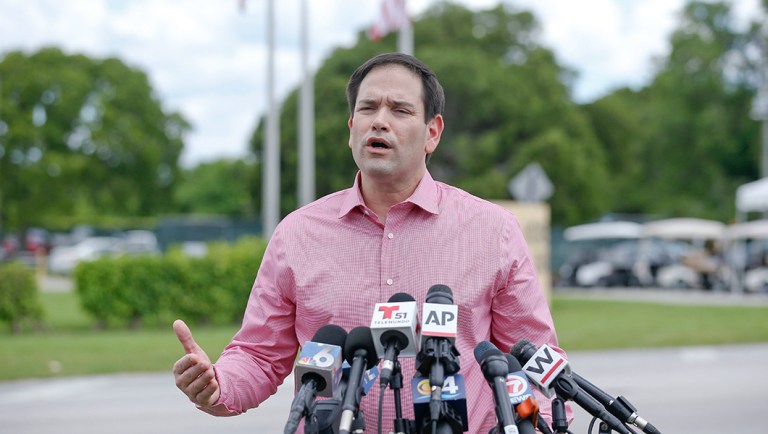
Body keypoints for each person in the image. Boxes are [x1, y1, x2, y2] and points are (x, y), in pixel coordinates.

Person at [173, 52, 568, 433]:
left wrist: (537, 425)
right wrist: (217, 385)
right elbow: (259, 356)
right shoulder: (297, 233)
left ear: (433, 132)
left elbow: (534, 364)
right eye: (368, 108)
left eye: (400, 110)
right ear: (351, 130)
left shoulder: (492, 231)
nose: (380, 121)